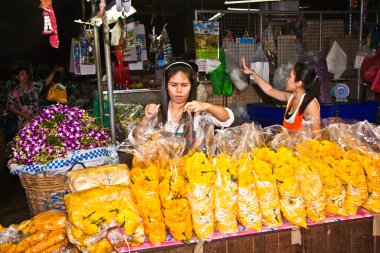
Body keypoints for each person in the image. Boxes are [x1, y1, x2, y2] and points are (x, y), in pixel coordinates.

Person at [131, 61, 234, 143]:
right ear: (166, 86)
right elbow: (135, 139)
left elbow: (227, 118)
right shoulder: (157, 112)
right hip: (164, 168)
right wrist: (146, 119)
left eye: (184, 85)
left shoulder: (198, 112)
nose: (179, 90)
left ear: (191, 86)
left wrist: (208, 106)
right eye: (173, 85)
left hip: (192, 167)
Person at [241, 57, 321, 131]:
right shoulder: (291, 98)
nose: (286, 79)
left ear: (298, 83)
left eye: (289, 76)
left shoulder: (310, 104)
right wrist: (252, 73)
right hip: (288, 146)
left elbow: (317, 136)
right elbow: (269, 90)